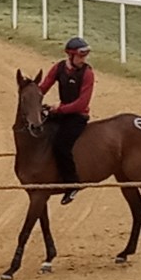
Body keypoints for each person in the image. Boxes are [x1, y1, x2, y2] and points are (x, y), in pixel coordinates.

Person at [38, 36, 95, 205]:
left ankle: (72, 183)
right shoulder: (59, 68)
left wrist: (59, 108)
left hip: (78, 117)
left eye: (84, 56)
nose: (83, 59)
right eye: (80, 56)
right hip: (62, 112)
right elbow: (43, 87)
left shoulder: (87, 73)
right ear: (70, 55)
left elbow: (81, 104)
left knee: (61, 145)